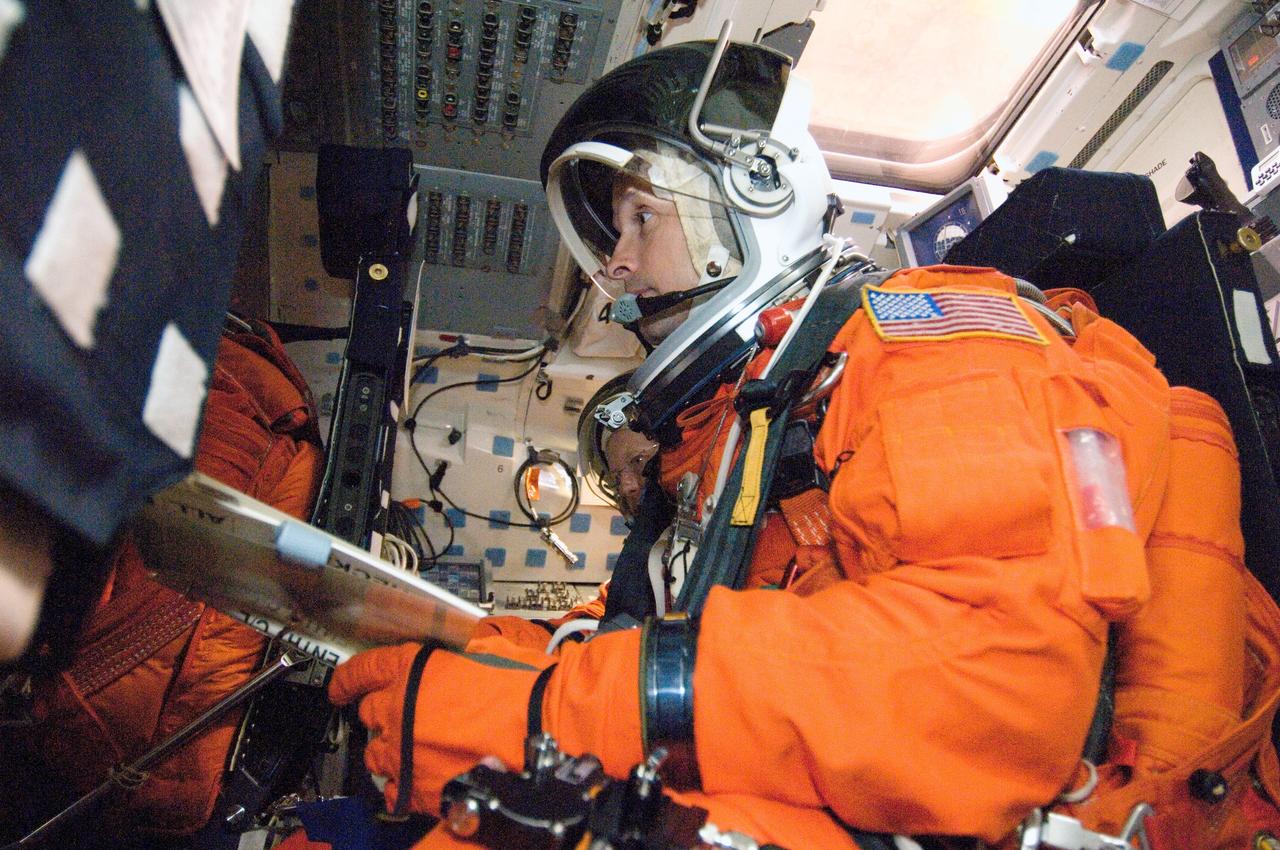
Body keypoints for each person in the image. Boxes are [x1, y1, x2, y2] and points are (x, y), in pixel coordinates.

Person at [326, 37, 1263, 849]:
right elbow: (735, 655)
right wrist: (512, 658)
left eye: (640, 219)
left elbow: (989, 684)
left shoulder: (934, 338)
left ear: (756, 195)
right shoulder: (755, 423)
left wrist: (556, 708)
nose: (614, 266)